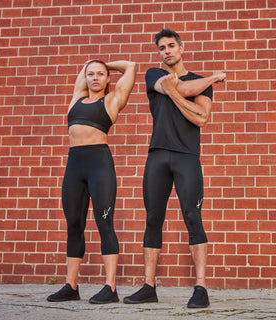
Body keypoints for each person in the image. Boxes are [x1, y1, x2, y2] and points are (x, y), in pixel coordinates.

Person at [123, 29, 226, 308]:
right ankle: (148, 286)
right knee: (153, 219)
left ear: (182, 48)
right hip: (157, 156)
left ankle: (201, 288)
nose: (166, 51)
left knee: (193, 217)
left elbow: (202, 119)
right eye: (162, 48)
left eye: (171, 46)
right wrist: (213, 77)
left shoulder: (200, 82)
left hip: (187, 158)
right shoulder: (153, 75)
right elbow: (183, 91)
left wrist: (178, 94)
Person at [47, 59, 136, 304]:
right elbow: (84, 69)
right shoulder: (76, 98)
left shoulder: (112, 100)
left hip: (99, 165)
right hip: (74, 165)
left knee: (104, 223)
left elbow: (131, 66)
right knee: (74, 225)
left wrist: (105, 63)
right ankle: (71, 286)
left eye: (100, 74)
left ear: (108, 79)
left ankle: (110, 287)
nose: (95, 77)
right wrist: (90, 63)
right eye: (91, 74)